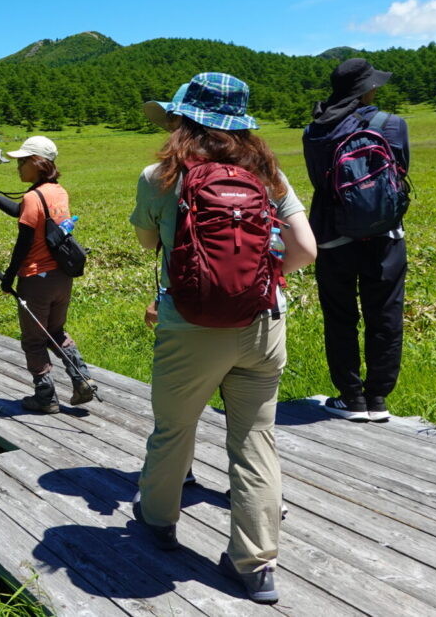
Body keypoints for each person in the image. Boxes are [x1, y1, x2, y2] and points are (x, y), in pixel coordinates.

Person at [130, 73, 316, 604]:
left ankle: (159, 521)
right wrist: (261, 282)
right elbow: (305, 249)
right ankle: (255, 565)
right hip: (262, 326)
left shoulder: (159, 176)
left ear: (183, 120)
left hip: (189, 328)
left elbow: (148, 242)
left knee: (174, 429)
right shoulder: (268, 173)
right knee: (256, 441)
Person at [302, 59, 409, 423]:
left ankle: (351, 398)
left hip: (332, 236)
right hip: (385, 235)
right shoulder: (392, 125)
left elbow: (320, 181)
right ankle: (378, 398)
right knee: (386, 315)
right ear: (367, 89)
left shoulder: (313, 130)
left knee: (340, 317)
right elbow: (400, 172)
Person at [0, 136, 97, 412]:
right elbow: (22, 211)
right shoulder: (58, 191)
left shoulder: (33, 195)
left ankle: (45, 397)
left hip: (36, 279)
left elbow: (24, 243)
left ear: (38, 163)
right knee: (55, 330)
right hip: (61, 277)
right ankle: (82, 379)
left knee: (33, 339)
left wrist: (8, 278)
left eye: (22, 161)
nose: (18, 166)